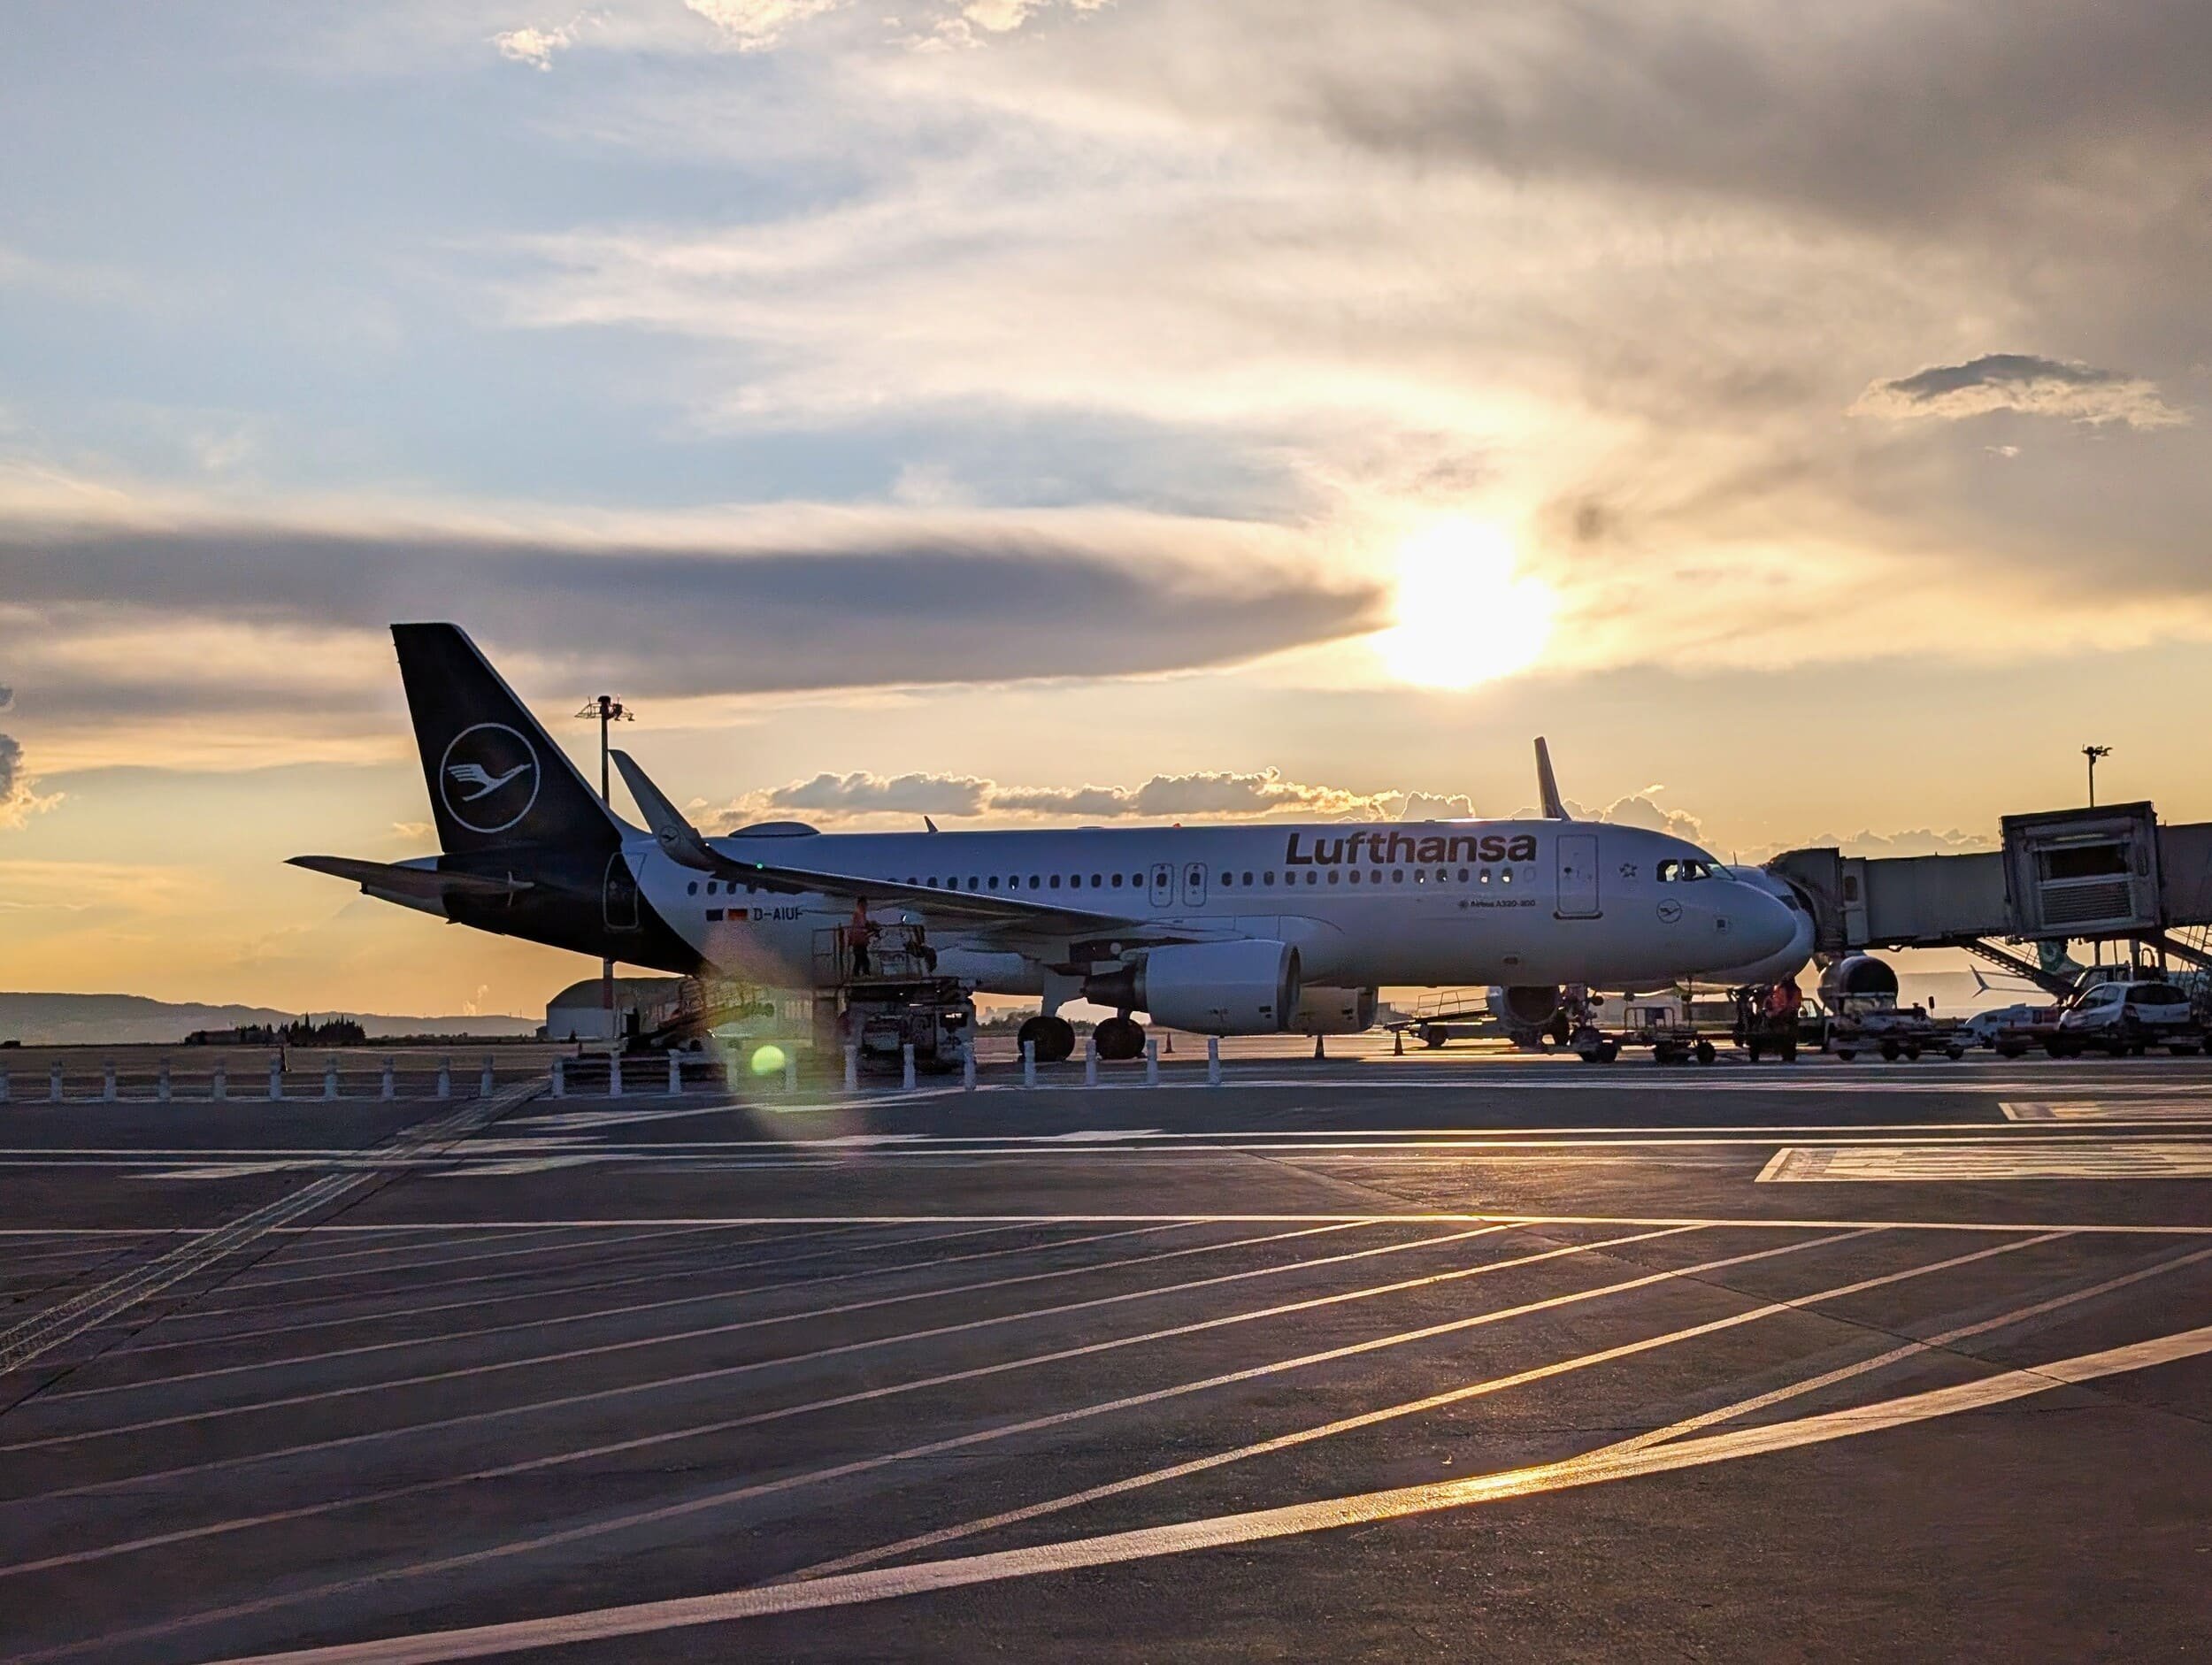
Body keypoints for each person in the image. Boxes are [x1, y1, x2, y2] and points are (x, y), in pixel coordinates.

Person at [848, 898, 875, 978]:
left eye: (865, 905)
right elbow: (856, 928)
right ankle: (861, 974)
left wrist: (871, 926)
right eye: (863, 905)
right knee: (861, 958)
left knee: (861, 958)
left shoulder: (863, 915)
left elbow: (866, 925)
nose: (865, 907)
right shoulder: (856, 915)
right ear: (859, 905)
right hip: (858, 941)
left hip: (862, 941)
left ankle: (861, 974)